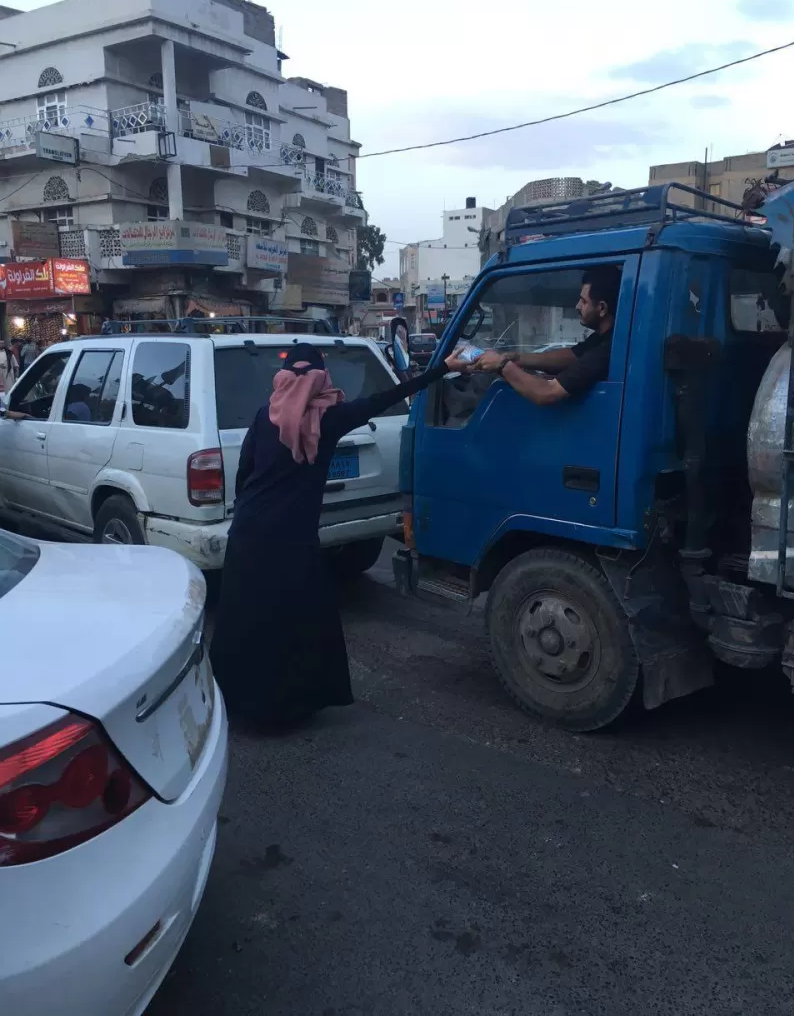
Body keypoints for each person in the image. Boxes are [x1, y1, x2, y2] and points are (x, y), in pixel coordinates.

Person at [211, 342, 468, 727]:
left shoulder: (267, 414)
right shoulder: (327, 418)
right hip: (291, 537)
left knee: (247, 619)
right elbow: (386, 398)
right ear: (320, 378)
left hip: (249, 530)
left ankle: (235, 705)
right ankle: (282, 710)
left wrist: (245, 515)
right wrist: (442, 369)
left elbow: (244, 473)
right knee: (293, 619)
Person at [472, 265, 621, 404]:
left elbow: (548, 392)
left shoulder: (609, 349)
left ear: (601, 308)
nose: (577, 306)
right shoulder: (601, 339)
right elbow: (571, 356)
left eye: (583, 301)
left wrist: (502, 366)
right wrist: (517, 358)